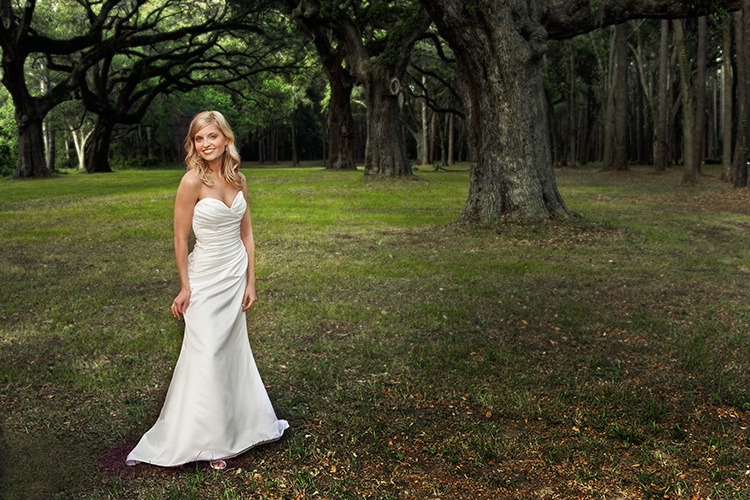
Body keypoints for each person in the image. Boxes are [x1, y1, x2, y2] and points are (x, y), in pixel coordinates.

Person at [126, 111, 288, 470]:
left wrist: (251, 281)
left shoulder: (239, 179)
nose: (206, 144)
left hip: (233, 276)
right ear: (193, 144)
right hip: (205, 278)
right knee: (209, 353)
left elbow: (247, 234)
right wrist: (185, 287)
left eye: (212, 136)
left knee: (231, 353)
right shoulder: (191, 182)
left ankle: (240, 427)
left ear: (225, 138)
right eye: (199, 139)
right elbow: (180, 239)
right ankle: (210, 439)